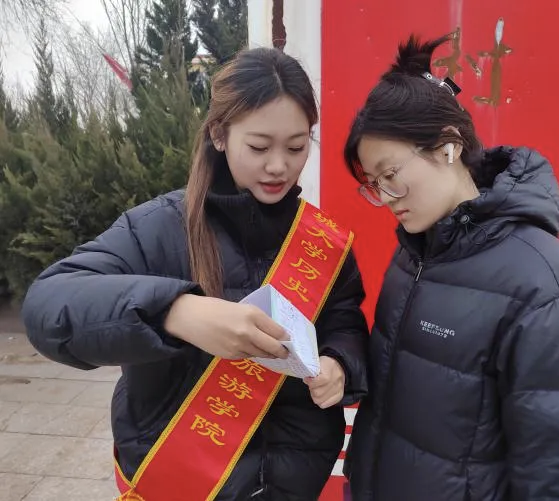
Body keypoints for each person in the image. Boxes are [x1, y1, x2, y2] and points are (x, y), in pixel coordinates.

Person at [21, 46, 369, 501]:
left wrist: (339, 362)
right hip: (180, 483)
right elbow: (48, 305)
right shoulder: (157, 228)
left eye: (297, 146)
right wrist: (175, 312)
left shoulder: (320, 242)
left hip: (295, 481)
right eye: (259, 147)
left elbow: (344, 321)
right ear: (220, 135)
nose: (279, 166)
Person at [342, 34, 559, 501]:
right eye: (373, 183)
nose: (385, 197)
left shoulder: (547, 285)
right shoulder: (414, 255)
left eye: (390, 175)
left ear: (448, 146)